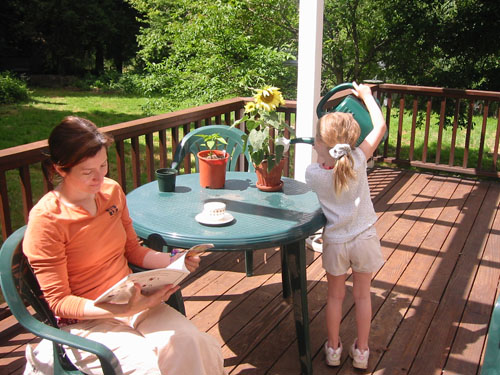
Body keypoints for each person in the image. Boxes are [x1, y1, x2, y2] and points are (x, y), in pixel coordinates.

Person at [23, 116, 225, 375]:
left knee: (191, 344)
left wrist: (175, 261)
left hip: (133, 299)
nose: (99, 178)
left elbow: (133, 250)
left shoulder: (111, 192)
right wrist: (122, 308)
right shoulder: (47, 220)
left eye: (103, 165)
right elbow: (59, 302)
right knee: (146, 365)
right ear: (60, 169)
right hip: (88, 319)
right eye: (87, 172)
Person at [305, 82, 386, 370]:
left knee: (335, 297)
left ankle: (334, 349)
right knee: (363, 295)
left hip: (336, 241)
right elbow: (380, 126)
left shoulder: (313, 174)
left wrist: (321, 155)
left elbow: (324, 165)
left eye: (316, 140)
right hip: (364, 237)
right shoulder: (359, 159)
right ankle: (362, 351)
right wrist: (367, 97)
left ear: (321, 145)